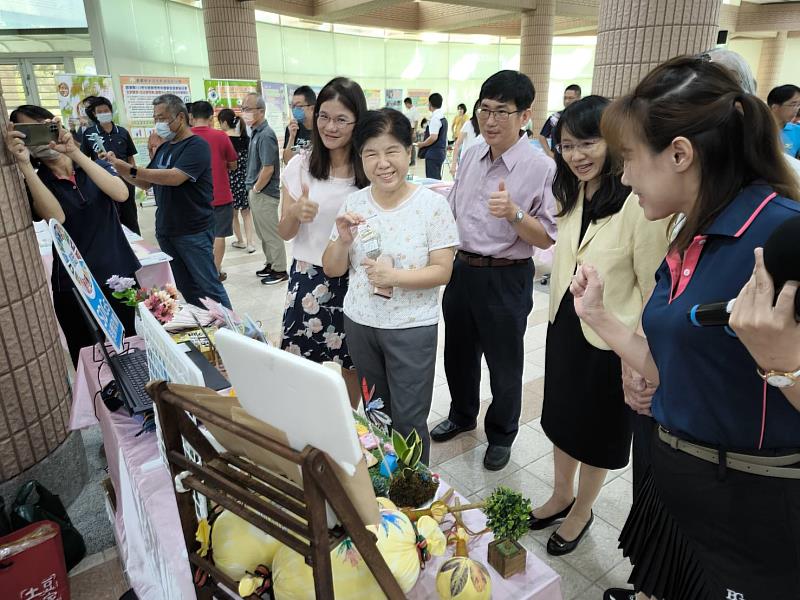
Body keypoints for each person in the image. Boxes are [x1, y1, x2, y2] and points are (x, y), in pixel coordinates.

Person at [573, 56, 800, 600]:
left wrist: (784, 364)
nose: (624, 177)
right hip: (681, 483)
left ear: (680, 153)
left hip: (749, 505)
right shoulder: (690, 231)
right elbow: (672, 367)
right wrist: (600, 317)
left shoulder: (781, 240)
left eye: (629, 159)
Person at [529, 96, 669, 557]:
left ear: (613, 143)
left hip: (611, 339)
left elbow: (654, 286)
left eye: (588, 143)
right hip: (565, 325)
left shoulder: (638, 202)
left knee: (595, 430)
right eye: (567, 145)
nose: (577, 155)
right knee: (561, 416)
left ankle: (582, 509)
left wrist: (640, 356)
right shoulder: (570, 190)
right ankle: (560, 491)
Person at [430, 70, 557, 471]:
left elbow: (547, 237)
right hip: (462, 270)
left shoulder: (541, 168)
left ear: (525, 115)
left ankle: (502, 432)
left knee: (505, 362)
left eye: (503, 111)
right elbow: (453, 210)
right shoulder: (470, 154)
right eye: (485, 109)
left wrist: (515, 214)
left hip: (506, 274)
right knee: (458, 354)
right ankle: (463, 414)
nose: (491, 120)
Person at [322, 108, 459, 464]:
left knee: (410, 418)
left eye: (391, 151)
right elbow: (333, 267)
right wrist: (340, 238)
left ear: (408, 152)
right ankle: (385, 484)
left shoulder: (432, 206)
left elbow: (443, 271)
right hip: (361, 324)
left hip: (411, 327)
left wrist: (395, 278)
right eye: (371, 153)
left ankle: (415, 493)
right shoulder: (353, 203)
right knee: (377, 412)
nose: (382, 163)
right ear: (361, 157)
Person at [6, 106, 140, 365]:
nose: (44, 136)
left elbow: (121, 194)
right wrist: (23, 164)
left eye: (46, 126)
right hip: (75, 287)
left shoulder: (93, 166)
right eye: (31, 132)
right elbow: (57, 217)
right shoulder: (36, 183)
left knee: (132, 350)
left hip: (119, 274)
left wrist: (75, 153)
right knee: (93, 363)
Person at [277, 77, 369, 408]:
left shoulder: (368, 170)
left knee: (351, 366)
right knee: (300, 362)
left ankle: (347, 435)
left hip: (355, 280)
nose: (330, 126)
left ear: (357, 121)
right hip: (307, 278)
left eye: (342, 119)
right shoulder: (300, 165)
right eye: (324, 117)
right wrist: (294, 214)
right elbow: (284, 232)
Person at [107, 94, 231, 309]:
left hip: (194, 230)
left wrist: (132, 169)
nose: (158, 124)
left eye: (162, 118)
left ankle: (234, 333)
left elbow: (175, 177)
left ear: (180, 117)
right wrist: (121, 170)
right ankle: (208, 325)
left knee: (208, 284)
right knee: (186, 285)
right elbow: (146, 183)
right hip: (167, 229)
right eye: (155, 119)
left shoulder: (196, 146)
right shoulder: (165, 148)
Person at [189, 100, 238, 282]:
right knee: (219, 235)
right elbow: (233, 163)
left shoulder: (186, 137)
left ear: (191, 117)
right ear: (211, 118)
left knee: (199, 236)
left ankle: (201, 272)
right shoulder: (221, 136)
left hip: (194, 199)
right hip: (220, 195)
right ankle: (215, 272)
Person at [241, 92, 288, 285]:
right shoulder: (256, 133)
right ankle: (271, 263)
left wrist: (256, 189)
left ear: (260, 111)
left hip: (264, 193)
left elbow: (268, 168)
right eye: (243, 108)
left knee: (270, 233)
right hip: (257, 191)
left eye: (247, 108)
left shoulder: (266, 135)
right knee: (262, 233)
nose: (243, 112)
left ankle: (280, 270)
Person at [80, 96, 141, 234]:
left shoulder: (122, 132)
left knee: (130, 217)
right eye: (99, 111)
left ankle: (137, 249)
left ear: (111, 111)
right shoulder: (90, 134)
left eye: (106, 110)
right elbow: (84, 159)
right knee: (109, 218)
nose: (103, 113)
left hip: (126, 181)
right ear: (95, 114)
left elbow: (131, 158)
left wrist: (133, 177)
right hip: (104, 183)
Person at [218, 108, 256, 254]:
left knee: (233, 214)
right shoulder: (245, 138)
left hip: (230, 181)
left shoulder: (224, 138)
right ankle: (250, 243)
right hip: (245, 180)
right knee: (246, 213)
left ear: (225, 122)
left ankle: (240, 240)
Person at [538, 84, 582, 159]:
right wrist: (549, 153)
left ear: (579, 99)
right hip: (557, 159)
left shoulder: (583, 118)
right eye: (565, 98)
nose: (567, 101)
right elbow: (542, 136)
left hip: (575, 158)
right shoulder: (555, 117)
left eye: (571, 98)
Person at [416, 92, 448, 180]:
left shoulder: (435, 118)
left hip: (433, 153)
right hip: (440, 152)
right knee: (437, 178)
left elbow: (433, 137)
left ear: (430, 104)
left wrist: (422, 144)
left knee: (432, 180)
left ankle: (435, 194)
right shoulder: (442, 117)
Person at [283, 85, 316, 163]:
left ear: (312, 108)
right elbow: (287, 161)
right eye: (293, 106)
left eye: (298, 106)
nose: (295, 109)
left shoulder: (322, 129)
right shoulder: (293, 128)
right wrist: (292, 137)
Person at [449, 100, 482, 177]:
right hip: (467, 164)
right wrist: (453, 165)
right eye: (479, 110)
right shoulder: (469, 124)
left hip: (480, 165)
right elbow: (457, 145)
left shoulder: (489, 127)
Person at [767, 84, 800, 159]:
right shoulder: (757, 128)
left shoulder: (798, 131)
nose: (796, 109)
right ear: (774, 107)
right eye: (793, 104)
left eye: (798, 105)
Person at [402, 97, 420, 165]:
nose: (405, 106)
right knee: (408, 144)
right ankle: (409, 160)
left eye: (405, 104)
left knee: (412, 145)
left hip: (412, 129)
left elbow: (416, 121)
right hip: (408, 129)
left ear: (408, 103)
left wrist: (414, 132)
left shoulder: (414, 110)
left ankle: (413, 161)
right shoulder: (409, 110)